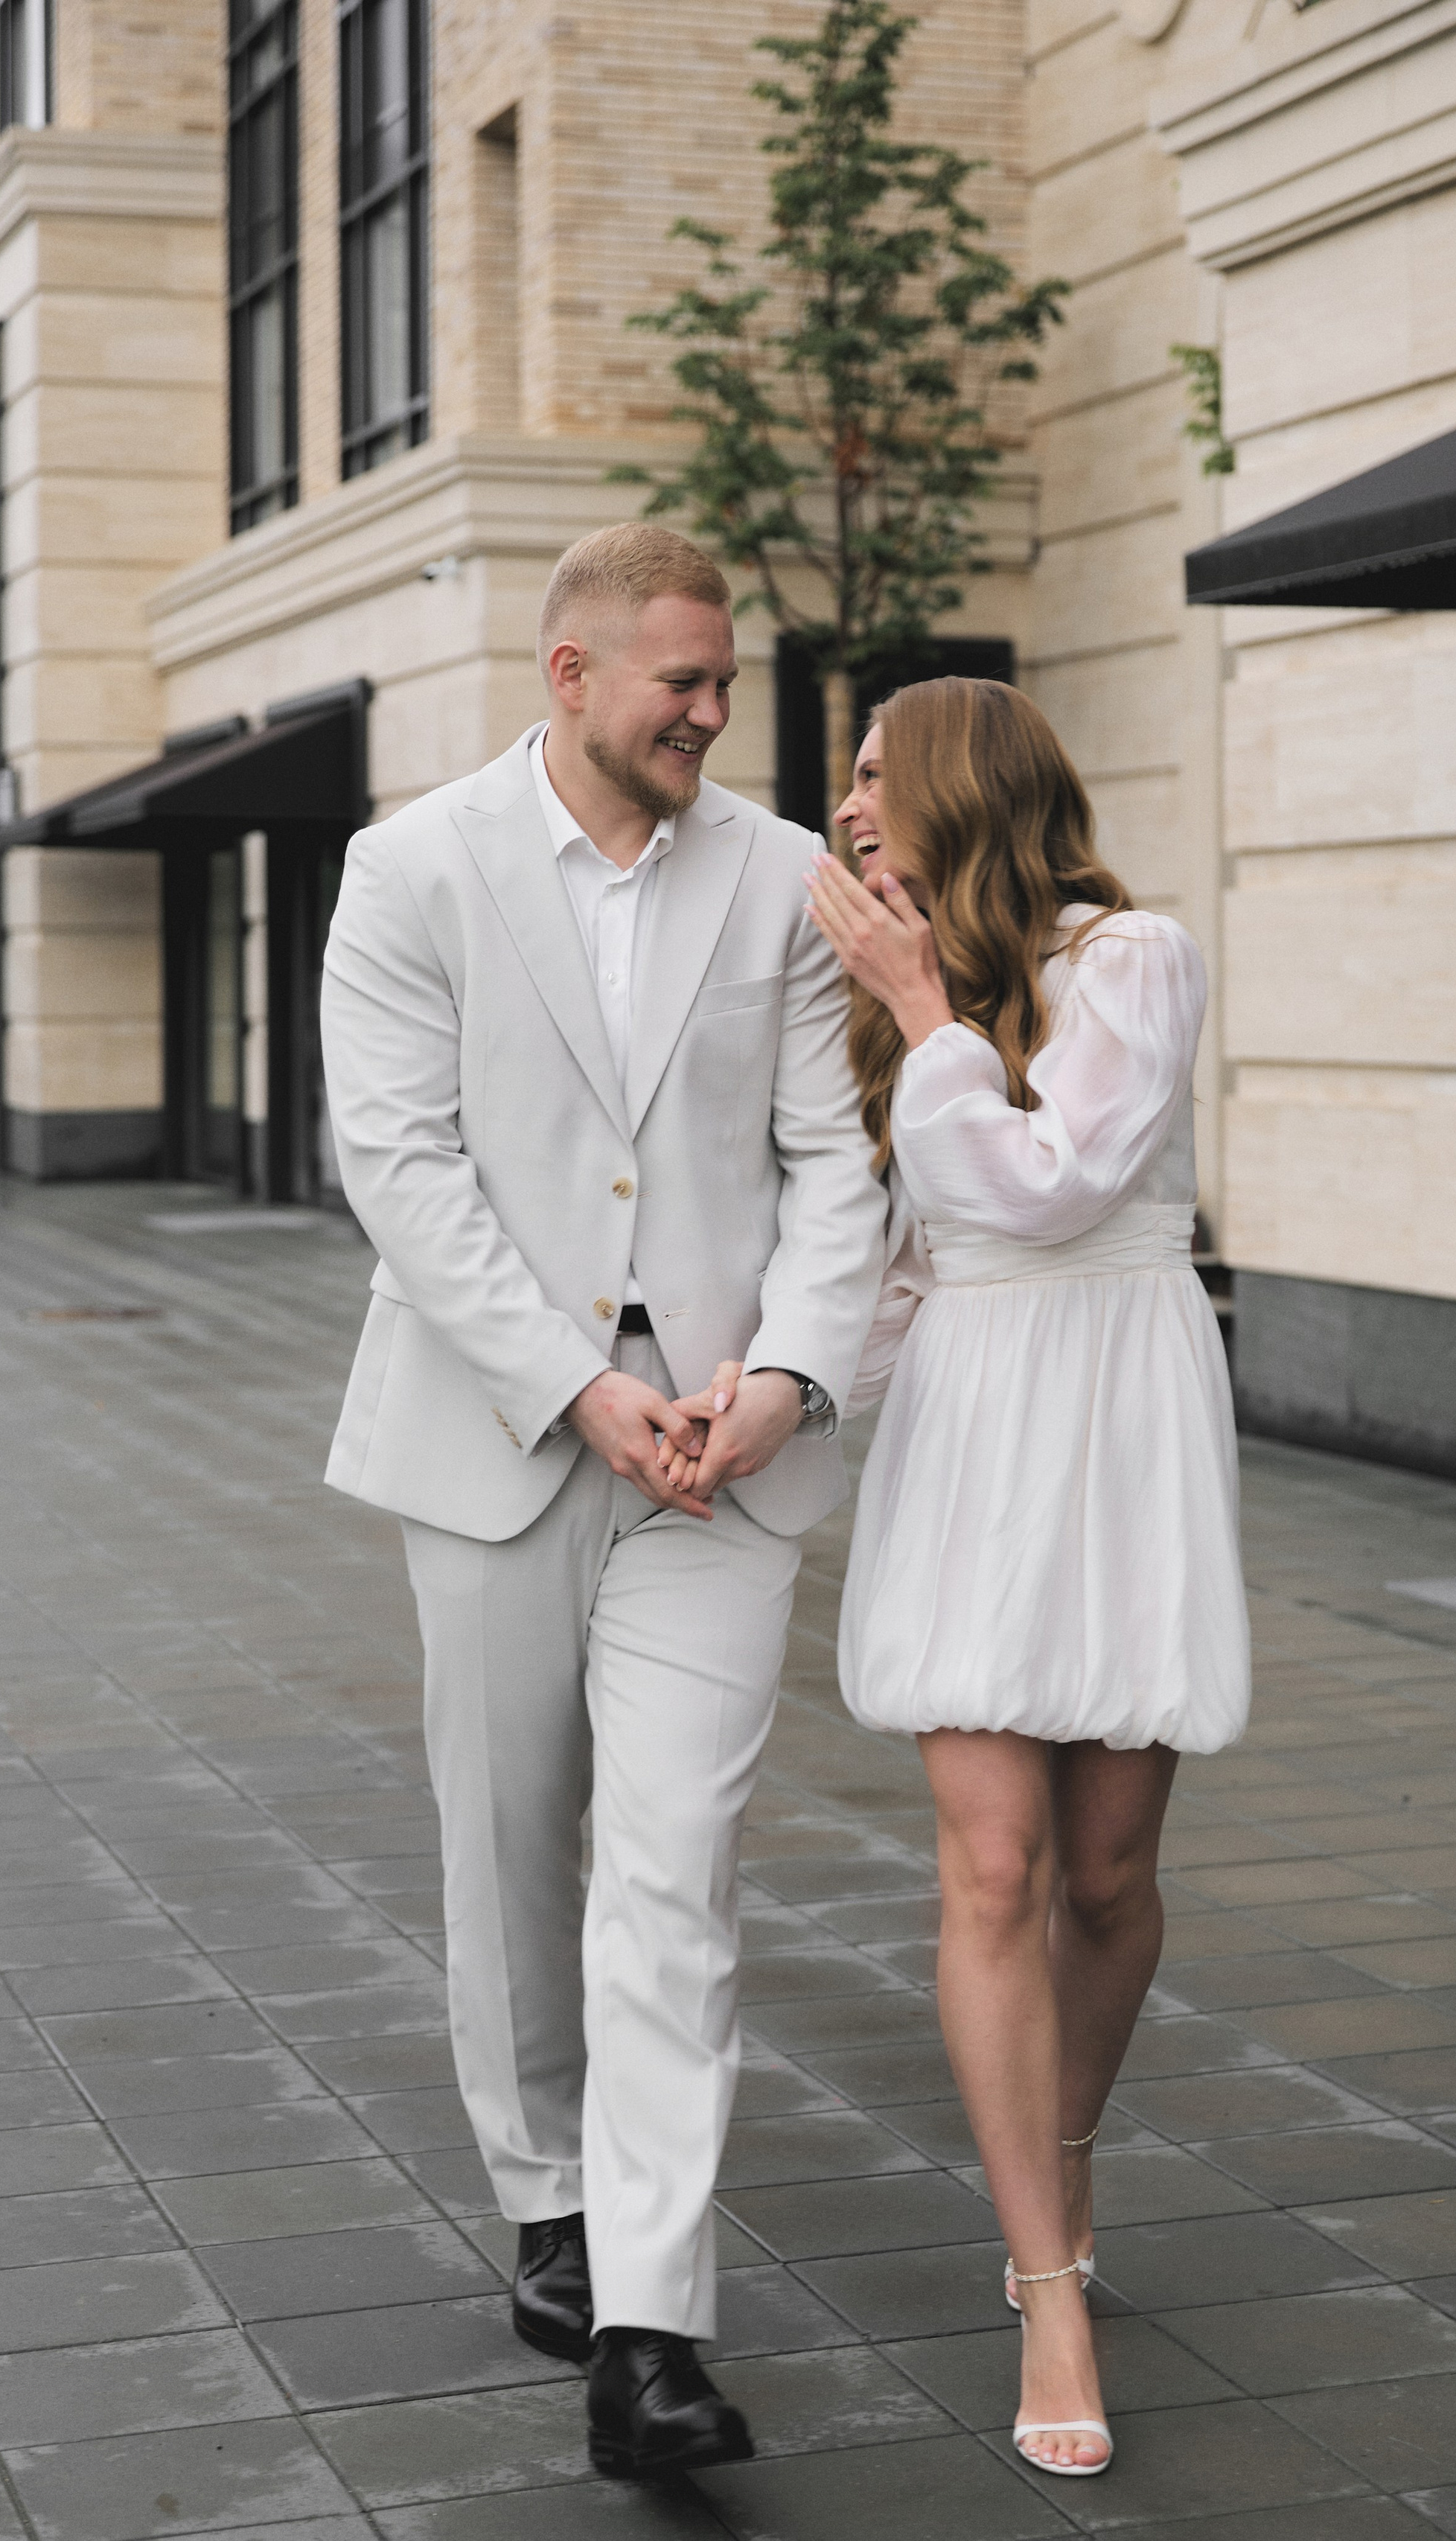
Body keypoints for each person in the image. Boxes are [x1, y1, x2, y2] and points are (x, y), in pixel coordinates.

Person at [319, 523, 887, 2480]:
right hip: (502, 1442)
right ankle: (547, 2185)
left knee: (674, 1866)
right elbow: (397, 1164)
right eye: (683, 686)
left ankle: (648, 2321)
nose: (715, 714)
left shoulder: (788, 871)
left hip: (725, 1467)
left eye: (726, 681)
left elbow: (835, 1160)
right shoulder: (412, 866)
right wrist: (576, 1383)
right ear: (568, 675)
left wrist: (792, 1370)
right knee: (513, 1839)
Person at [668, 677, 1250, 2478]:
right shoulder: (893, 1017)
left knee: (1107, 1867)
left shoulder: (1125, 961)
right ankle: (1045, 2274)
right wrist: (771, 1394)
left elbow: (1054, 1185)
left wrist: (921, 1007)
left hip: (1124, 1423)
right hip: (972, 1444)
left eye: (866, 776)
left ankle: (1057, 2154)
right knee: (992, 1865)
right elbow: (909, 1264)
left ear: (957, 791)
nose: (843, 811)